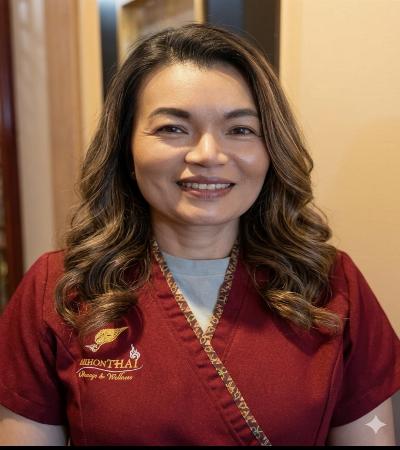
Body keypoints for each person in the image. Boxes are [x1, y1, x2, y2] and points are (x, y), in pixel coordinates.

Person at [0, 23, 399, 446]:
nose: (208, 155)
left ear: (271, 150)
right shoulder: (60, 288)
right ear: (125, 147)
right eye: (172, 128)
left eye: (240, 130)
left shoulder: (331, 285)